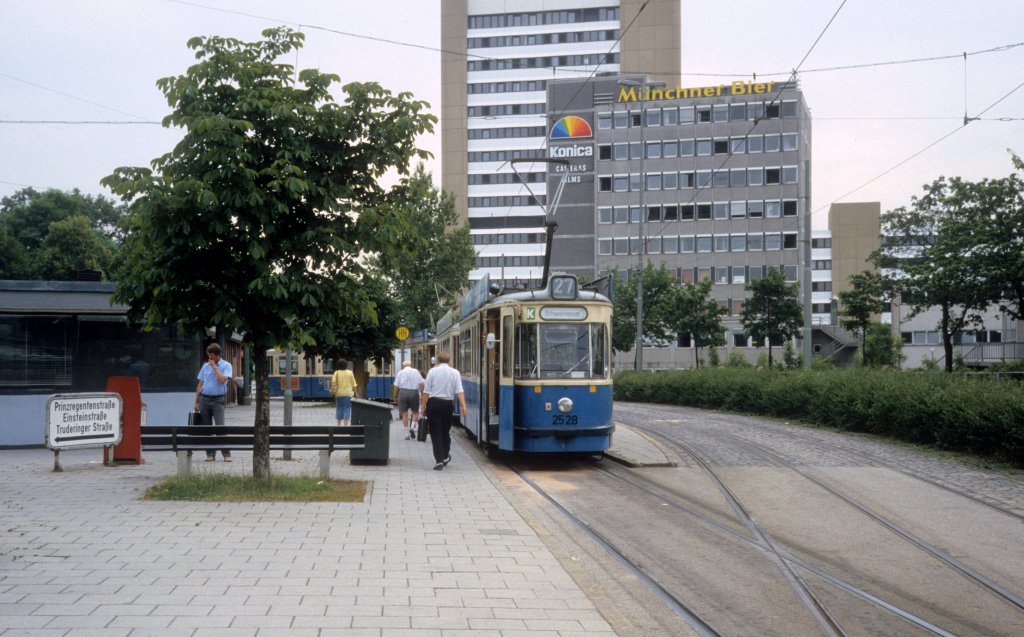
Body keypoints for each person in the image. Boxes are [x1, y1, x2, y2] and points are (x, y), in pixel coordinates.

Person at [419, 351, 467, 471]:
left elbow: (426, 391)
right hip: (447, 405)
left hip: (433, 404)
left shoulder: (432, 371)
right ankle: (445, 455)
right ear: (449, 360)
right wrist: (463, 406)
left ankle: (439, 461)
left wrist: (423, 406)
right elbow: (459, 390)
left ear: (438, 360)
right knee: (445, 431)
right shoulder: (455, 372)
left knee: (435, 433)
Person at [194, 343, 232, 462]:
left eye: (213, 355)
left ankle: (226, 454)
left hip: (217, 400)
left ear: (218, 355)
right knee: (207, 428)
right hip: (204, 399)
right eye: (209, 355)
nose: (210, 357)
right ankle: (210, 454)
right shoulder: (205, 366)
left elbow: (222, 380)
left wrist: (215, 367)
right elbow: (200, 384)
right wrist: (196, 402)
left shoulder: (226, 365)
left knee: (220, 427)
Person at [393, 360, 425, 439]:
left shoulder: (400, 372)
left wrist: (395, 396)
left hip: (403, 392)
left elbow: (396, 386)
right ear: (411, 365)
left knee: (404, 414)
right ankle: (412, 427)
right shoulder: (416, 371)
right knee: (415, 412)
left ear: (403, 366)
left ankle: (406, 434)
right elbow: (421, 383)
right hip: (414, 393)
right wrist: (422, 394)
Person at [329, 359, 358, 426]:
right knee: (347, 408)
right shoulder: (350, 373)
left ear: (338, 365)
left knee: (339, 408)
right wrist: (356, 393)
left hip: (338, 394)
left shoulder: (337, 372)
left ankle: (338, 425)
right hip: (348, 394)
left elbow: (333, 382)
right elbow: (354, 384)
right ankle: (345, 425)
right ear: (346, 365)